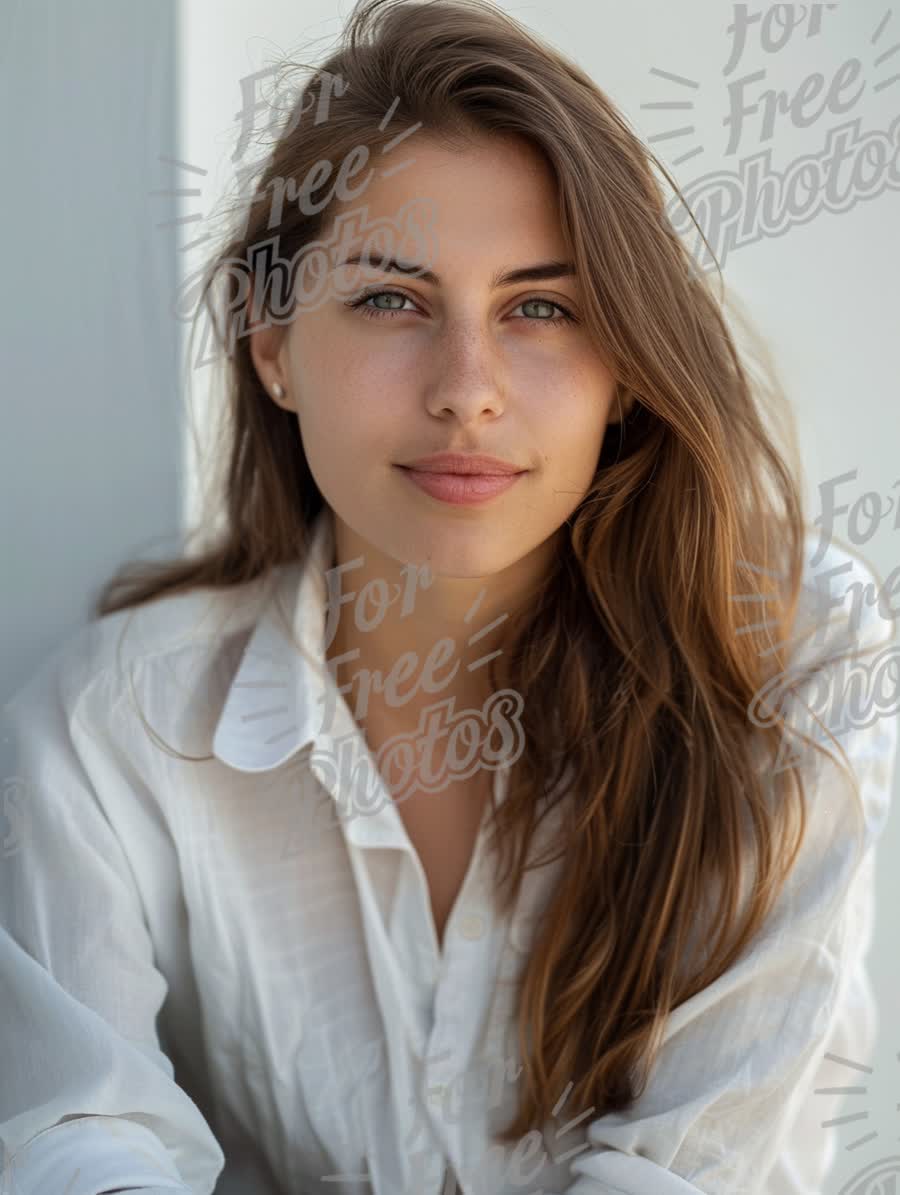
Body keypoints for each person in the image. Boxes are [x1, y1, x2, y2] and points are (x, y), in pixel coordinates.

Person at [1, 0, 896, 1192]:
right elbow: (76, 1137)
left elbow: (692, 1174)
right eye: (388, 300)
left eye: (540, 307)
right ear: (273, 344)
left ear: (625, 361)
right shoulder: (117, 722)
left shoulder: (793, 658)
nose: (467, 390)